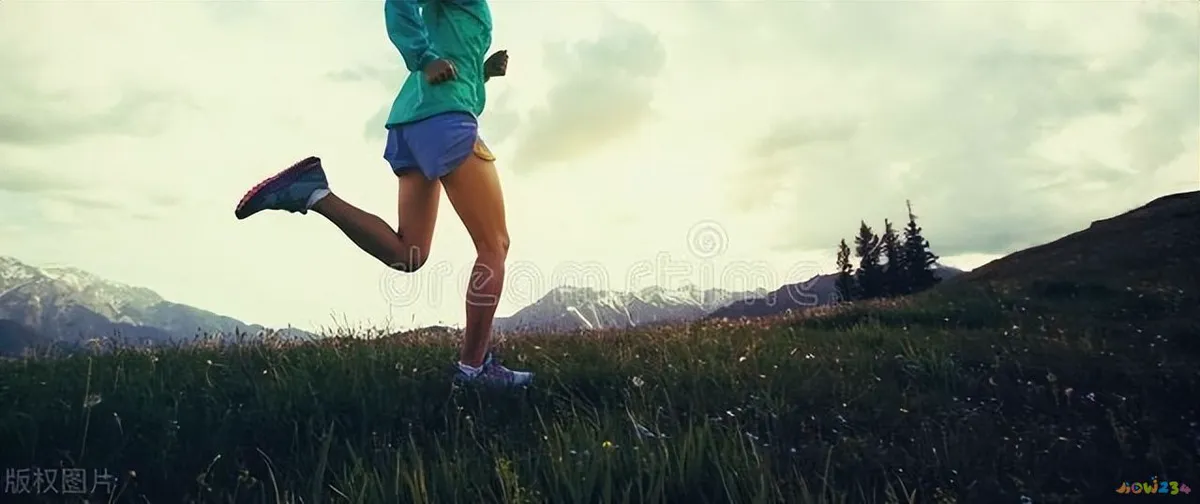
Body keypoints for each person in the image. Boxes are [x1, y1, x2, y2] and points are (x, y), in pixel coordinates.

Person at [233, 0, 532, 388]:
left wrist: (483, 72)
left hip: (413, 123)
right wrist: (423, 58)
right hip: (445, 120)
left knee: (408, 253)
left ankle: (312, 192)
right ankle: (473, 370)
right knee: (495, 245)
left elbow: (453, 56)